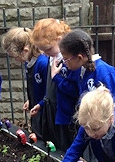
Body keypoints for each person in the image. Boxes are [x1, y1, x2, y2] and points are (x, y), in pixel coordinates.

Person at [30, 18, 81, 152]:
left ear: (60, 39)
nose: (45, 53)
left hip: (65, 114)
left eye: (47, 49)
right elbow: (51, 89)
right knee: (55, 145)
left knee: (66, 147)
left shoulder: (69, 61)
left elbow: (74, 90)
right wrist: (41, 104)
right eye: (42, 50)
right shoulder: (52, 58)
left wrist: (56, 77)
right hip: (52, 110)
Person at [59, 29, 115, 112]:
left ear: (79, 57)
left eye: (66, 59)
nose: (64, 63)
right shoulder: (81, 69)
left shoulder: (105, 72)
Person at [1, 27, 49, 140]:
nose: (15, 60)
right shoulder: (28, 63)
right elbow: (35, 87)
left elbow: (50, 90)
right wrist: (30, 100)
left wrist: (40, 104)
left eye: (15, 57)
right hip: (36, 108)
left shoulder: (42, 63)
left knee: (43, 137)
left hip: (45, 112)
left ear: (25, 50)